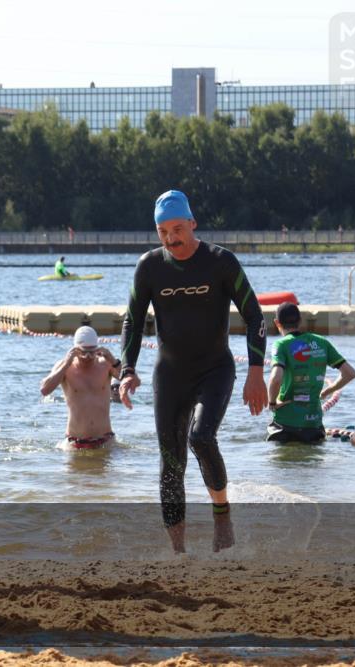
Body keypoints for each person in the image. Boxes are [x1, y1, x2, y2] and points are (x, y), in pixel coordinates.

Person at [118, 190, 267, 553]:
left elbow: (254, 317)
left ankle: (221, 515)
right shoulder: (149, 266)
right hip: (170, 375)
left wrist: (256, 372)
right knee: (170, 462)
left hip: (215, 369)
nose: (172, 238)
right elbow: (132, 322)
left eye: (178, 229)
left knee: (201, 438)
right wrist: (126, 370)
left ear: (193, 223)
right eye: (163, 231)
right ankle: (179, 553)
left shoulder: (220, 261)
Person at [267, 302, 355, 443]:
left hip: (285, 423)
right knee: (311, 463)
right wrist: (327, 392)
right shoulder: (321, 342)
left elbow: (276, 378)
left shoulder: (281, 344)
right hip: (313, 424)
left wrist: (272, 402)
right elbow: (350, 373)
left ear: (277, 323)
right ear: (300, 320)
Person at [40, 326, 120, 448]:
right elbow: (45, 390)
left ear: (98, 349)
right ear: (75, 350)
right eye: (83, 352)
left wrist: (113, 360)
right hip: (74, 443)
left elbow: (130, 380)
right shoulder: (65, 368)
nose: (87, 357)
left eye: (92, 352)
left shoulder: (106, 364)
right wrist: (66, 363)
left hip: (105, 441)